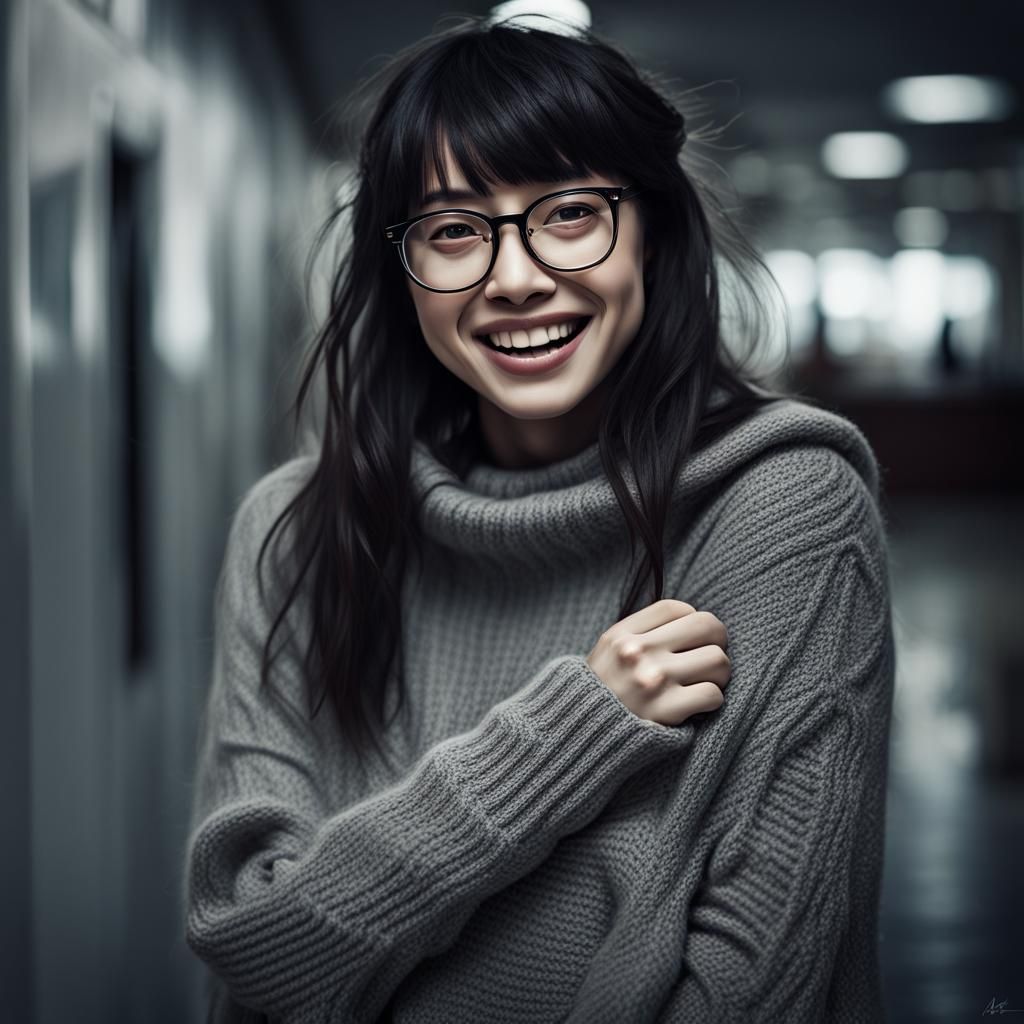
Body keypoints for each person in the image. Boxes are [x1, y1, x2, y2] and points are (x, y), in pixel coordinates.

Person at [183, 14, 895, 1024]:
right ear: (401, 267)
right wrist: (569, 735)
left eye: (568, 213)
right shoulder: (295, 530)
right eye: (453, 230)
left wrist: (367, 927)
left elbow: (758, 987)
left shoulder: (778, 510)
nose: (514, 279)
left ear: (650, 230)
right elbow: (257, 946)